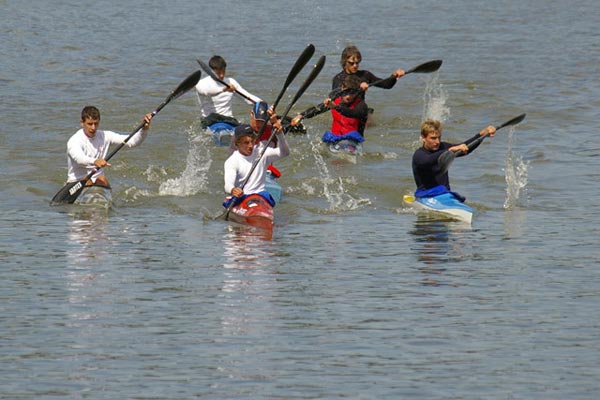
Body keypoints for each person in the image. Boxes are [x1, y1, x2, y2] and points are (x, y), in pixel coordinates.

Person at [66, 105, 153, 188]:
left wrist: (144, 129)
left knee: (102, 179)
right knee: (91, 181)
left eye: (96, 124)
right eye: (90, 124)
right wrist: (95, 161)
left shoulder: (105, 136)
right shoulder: (75, 141)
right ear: (82, 123)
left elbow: (132, 142)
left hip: (98, 181)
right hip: (77, 182)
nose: (93, 128)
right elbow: (79, 159)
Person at [411, 119, 496, 199]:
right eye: (433, 138)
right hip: (425, 194)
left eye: (439, 138)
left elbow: (466, 147)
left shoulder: (443, 147)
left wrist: (482, 135)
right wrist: (449, 151)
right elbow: (429, 160)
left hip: (444, 194)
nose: (437, 142)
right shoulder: (419, 155)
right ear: (423, 137)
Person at [223, 106, 289, 208]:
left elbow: (284, 153)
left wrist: (280, 134)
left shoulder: (261, 153)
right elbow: (228, 184)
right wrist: (233, 190)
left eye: (252, 141)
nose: (250, 146)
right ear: (237, 143)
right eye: (246, 143)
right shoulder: (232, 161)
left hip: (260, 196)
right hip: (242, 196)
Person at [291, 75, 369, 144]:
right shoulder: (335, 100)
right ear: (342, 88)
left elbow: (352, 113)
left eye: (352, 93)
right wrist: (301, 116)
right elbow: (318, 109)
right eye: (346, 91)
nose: (348, 96)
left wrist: (335, 107)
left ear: (357, 92)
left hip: (353, 143)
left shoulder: (362, 106)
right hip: (333, 140)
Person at [195, 55, 262, 129]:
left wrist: (263, 104)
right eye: (218, 72)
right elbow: (207, 92)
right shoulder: (201, 83)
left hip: (228, 121)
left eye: (223, 71)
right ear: (211, 71)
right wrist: (223, 89)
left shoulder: (230, 82)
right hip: (210, 121)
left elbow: (247, 97)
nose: (221, 75)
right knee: (221, 129)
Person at [332, 45, 405, 96]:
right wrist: (358, 85)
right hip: (343, 110)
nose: (355, 66)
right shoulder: (338, 78)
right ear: (344, 62)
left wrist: (394, 76)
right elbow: (335, 97)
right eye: (351, 63)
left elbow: (386, 85)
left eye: (357, 63)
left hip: (359, 110)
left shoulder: (365, 75)